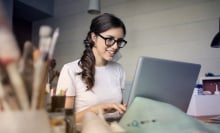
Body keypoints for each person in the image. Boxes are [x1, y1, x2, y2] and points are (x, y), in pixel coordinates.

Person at [56, 13, 127, 123]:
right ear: (94, 37)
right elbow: (63, 120)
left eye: (119, 41)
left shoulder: (119, 69)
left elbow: (120, 109)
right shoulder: (70, 70)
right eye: (109, 39)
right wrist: (95, 110)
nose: (115, 46)